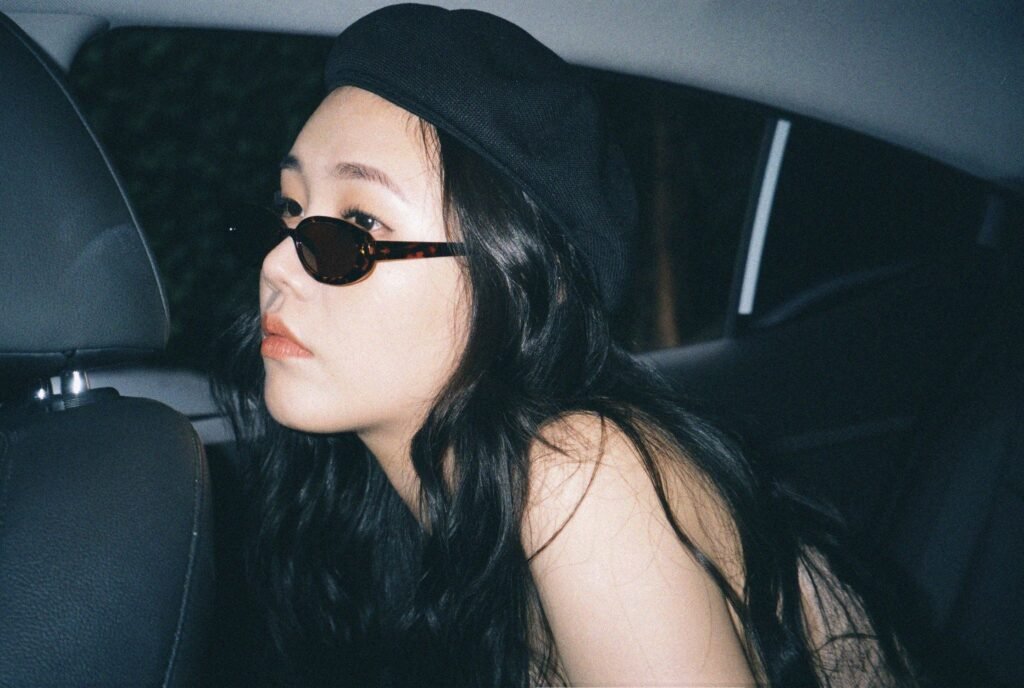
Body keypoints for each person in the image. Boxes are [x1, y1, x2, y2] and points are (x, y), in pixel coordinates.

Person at [216, 4, 918, 686]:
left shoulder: (580, 474)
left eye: (359, 228)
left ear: (520, 279)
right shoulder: (387, 511)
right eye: (290, 211)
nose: (277, 265)